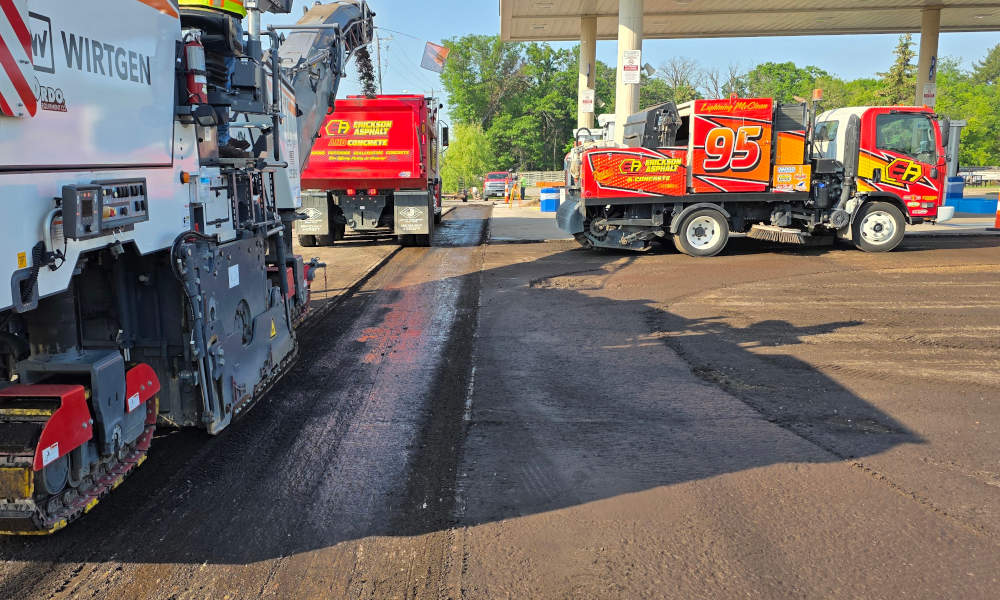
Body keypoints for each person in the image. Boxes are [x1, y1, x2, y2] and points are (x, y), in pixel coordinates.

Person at [178, 0, 252, 158]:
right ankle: (220, 140)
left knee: (185, 70)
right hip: (222, 14)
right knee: (221, 80)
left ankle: (218, 136)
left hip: (179, 11)